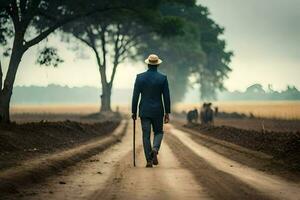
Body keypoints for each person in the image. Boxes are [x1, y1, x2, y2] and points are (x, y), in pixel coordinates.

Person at [131, 54, 171, 168]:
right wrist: (167, 112)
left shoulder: (140, 77)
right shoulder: (162, 78)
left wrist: (133, 111)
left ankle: (148, 160)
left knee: (146, 135)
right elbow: (166, 97)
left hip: (144, 111)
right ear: (158, 65)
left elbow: (135, 96)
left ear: (148, 64)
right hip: (158, 111)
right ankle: (155, 149)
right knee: (158, 132)